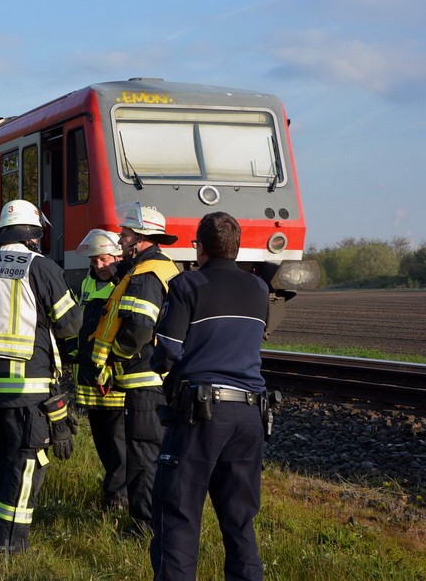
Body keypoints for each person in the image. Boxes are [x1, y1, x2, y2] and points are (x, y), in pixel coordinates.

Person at [149, 212, 270, 580]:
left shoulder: (188, 284)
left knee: (178, 512)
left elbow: (168, 350)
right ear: (237, 248)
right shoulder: (258, 289)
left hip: (202, 413)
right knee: (239, 519)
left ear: (198, 247)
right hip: (251, 414)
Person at [0, 199, 83, 553]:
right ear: (34, 235)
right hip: (25, 390)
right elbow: (69, 324)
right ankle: (10, 547)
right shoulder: (39, 266)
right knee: (26, 464)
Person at [88, 204, 179, 537]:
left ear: (141, 238)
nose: (121, 239)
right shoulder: (162, 267)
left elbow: (139, 328)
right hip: (155, 377)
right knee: (150, 451)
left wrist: (114, 357)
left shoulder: (144, 275)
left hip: (143, 378)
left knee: (142, 453)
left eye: (125, 234)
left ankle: (144, 526)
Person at [69, 229, 128, 511]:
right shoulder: (87, 283)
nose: (98, 266)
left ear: (117, 255)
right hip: (90, 374)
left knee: (118, 440)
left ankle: (118, 496)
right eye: (94, 261)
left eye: (103, 260)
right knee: (102, 439)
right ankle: (113, 490)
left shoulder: (127, 283)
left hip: (114, 375)